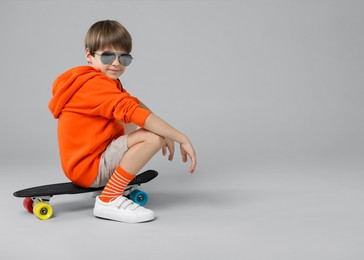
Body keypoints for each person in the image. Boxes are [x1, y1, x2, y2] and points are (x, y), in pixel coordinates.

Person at [48, 20, 197, 223]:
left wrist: (166, 132)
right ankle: (109, 199)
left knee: (133, 116)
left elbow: (133, 103)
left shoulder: (94, 81)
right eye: (108, 56)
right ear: (89, 55)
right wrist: (180, 137)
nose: (116, 63)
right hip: (88, 168)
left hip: (86, 161)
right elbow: (134, 112)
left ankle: (108, 187)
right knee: (152, 138)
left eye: (123, 57)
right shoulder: (94, 85)